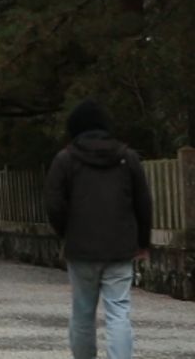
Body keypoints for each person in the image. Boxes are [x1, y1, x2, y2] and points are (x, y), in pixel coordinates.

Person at [45, 100, 152, 359]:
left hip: (80, 249)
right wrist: (143, 241)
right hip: (119, 248)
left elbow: (53, 203)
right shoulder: (127, 157)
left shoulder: (65, 159)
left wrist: (65, 232)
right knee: (119, 311)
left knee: (82, 312)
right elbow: (143, 202)